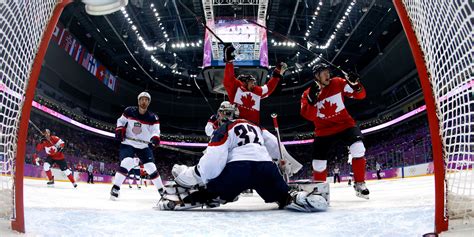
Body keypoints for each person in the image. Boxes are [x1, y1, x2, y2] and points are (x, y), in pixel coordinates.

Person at [158, 101, 329, 212]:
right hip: (266, 168)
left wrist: (187, 178)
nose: (221, 116)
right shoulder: (255, 125)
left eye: (223, 113)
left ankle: (183, 201)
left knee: (212, 191)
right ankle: (297, 197)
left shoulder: (222, 129)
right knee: (282, 197)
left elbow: (212, 165)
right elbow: (275, 144)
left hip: (238, 170)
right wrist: (288, 166)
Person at [300, 63, 370, 199]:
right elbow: (309, 116)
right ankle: (319, 192)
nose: (328, 75)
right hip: (323, 130)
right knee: (318, 164)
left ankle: (360, 184)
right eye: (323, 73)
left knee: (359, 148)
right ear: (316, 76)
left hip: (345, 125)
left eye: (328, 72)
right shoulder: (307, 93)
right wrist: (312, 101)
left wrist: (356, 85)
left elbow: (360, 96)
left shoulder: (338, 82)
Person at [110, 91, 164, 200]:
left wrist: (155, 138)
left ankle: (162, 191)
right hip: (128, 143)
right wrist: (119, 129)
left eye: (146, 100)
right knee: (127, 162)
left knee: (151, 167)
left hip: (144, 146)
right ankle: (115, 188)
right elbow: (120, 121)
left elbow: (155, 131)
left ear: (148, 103)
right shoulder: (129, 111)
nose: (144, 101)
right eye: (142, 99)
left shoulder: (154, 117)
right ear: (138, 101)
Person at [222, 45, 286, 124]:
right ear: (244, 81)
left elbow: (269, 88)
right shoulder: (236, 88)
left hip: (254, 125)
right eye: (252, 81)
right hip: (237, 124)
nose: (254, 84)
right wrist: (229, 61)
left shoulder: (256, 91)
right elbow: (228, 79)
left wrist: (277, 72)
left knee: (272, 137)